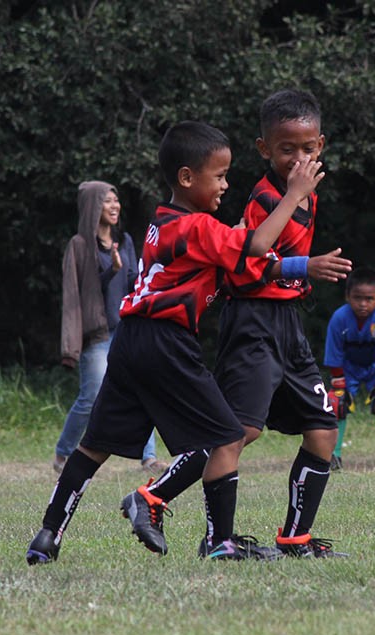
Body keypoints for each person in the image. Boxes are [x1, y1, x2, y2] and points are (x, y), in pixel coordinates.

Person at [25, 120, 346, 564]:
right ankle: (218, 541)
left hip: (130, 341)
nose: (226, 185)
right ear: (187, 177)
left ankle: (48, 535)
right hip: (167, 342)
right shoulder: (199, 228)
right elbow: (256, 247)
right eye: (220, 176)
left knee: (94, 446)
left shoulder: (162, 222)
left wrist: (295, 265)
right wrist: (294, 195)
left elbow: (242, 265)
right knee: (228, 434)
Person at [125, 90, 350, 559]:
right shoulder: (268, 199)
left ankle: (295, 539)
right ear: (265, 149)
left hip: (286, 325)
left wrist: (299, 278)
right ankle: (173, 510)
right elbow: (244, 269)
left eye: (308, 148)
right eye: (287, 149)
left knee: (323, 429)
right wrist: (303, 268)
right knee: (237, 431)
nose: (299, 158)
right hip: (253, 322)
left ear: (321, 146)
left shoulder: (304, 192)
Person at [54, 181, 166, 475]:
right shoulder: (79, 245)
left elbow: (133, 282)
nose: (115, 205)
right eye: (107, 200)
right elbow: (79, 292)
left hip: (126, 328)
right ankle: (63, 454)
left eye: (116, 200)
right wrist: (111, 270)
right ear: (93, 206)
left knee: (141, 388)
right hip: (97, 334)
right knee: (91, 397)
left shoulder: (124, 240)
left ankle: (149, 457)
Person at [322, 267, 375, 471]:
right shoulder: (339, 318)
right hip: (348, 367)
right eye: (357, 298)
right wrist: (339, 384)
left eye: (369, 298)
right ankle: (333, 456)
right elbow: (334, 353)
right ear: (347, 296)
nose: (363, 304)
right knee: (336, 403)